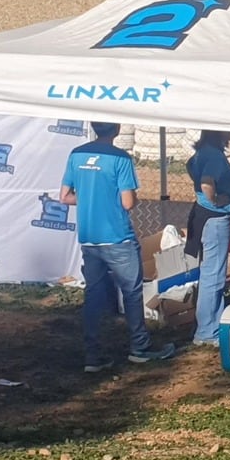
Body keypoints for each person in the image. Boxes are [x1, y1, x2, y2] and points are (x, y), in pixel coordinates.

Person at [59, 121, 174, 372]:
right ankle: (139, 347)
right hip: (117, 236)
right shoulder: (120, 158)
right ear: (117, 128)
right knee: (132, 293)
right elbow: (128, 202)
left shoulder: (77, 154)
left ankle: (93, 355)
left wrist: (88, 198)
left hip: (89, 238)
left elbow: (65, 196)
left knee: (93, 294)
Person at [187, 129, 230, 348]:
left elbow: (190, 166)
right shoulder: (215, 156)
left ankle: (208, 325)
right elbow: (207, 182)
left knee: (210, 272)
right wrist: (216, 199)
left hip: (203, 215)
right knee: (214, 275)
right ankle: (208, 330)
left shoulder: (203, 151)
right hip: (215, 218)